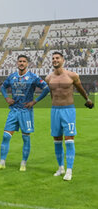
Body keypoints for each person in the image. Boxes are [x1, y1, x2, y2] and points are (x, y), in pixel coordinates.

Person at [0, 55, 49, 172]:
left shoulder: (33, 77)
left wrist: (35, 101)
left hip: (25, 111)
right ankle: (2, 163)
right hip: (13, 110)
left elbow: (46, 88)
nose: (22, 63)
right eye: (20, 61)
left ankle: (23, 163)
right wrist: (7, 98)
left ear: (27, 63)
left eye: (24, 61)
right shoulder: (12, 76)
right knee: (5, 136)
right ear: (17, 63)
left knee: (26, 139)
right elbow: (3, 87)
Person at [45, 51, 93, 181]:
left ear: (63, 60)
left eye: (57, 58)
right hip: (55, 110)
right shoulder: (48, 78)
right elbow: (51, 94)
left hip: (68, 110)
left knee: (69, 140)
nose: (55, 60)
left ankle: (69, 170)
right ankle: (60, 168)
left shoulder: (72, 75)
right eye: (53, 58)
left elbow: (80, 88)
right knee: (57, 140)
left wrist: (87, 99)